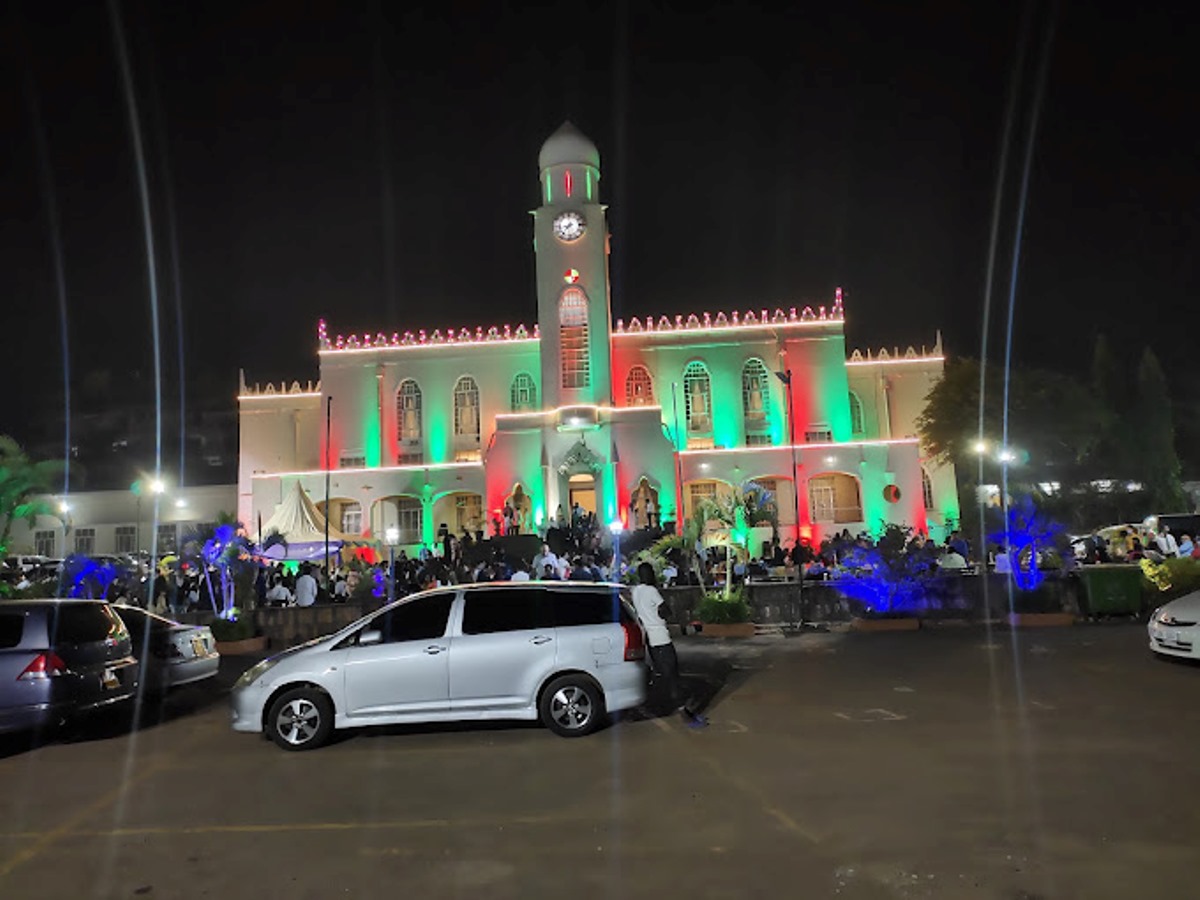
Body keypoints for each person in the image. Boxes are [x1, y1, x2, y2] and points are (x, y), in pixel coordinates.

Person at [630, 562, 707, 727]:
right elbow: (665, 611)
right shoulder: (651, 591)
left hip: (650, 640)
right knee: (673, 676)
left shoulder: (636, 591)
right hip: (661, 638)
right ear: (649, 575)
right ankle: (685, 715)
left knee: (665, 676)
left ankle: (679, 710)